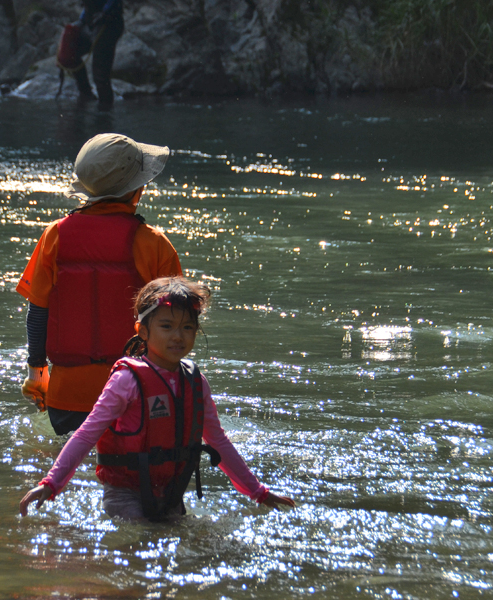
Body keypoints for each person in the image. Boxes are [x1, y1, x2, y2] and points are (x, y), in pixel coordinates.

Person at [19, 277, 296, 521]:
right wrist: (51, 483)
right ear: (142, 330)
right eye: (167, 326)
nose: (178, 336)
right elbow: (86, 434)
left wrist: (259, 493)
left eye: (187, 327)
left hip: (172, 495)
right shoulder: (127, 381)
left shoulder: (195, 381)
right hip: (125, 496)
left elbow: (218, 442)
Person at [16, 133, 182, 436]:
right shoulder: (155, 245)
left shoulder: (54, 236)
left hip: (67, 397)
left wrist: (36, 372)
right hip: (135, 392)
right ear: (138, 188)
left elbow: (38, 311)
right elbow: (175, 325)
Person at [73, 0, 124, 107]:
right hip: (90, 22)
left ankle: (105, 109)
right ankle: (86, 94)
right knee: (72, 52)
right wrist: (82, 20)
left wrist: (105, 12)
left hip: (108, 24)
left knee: (100, 73)